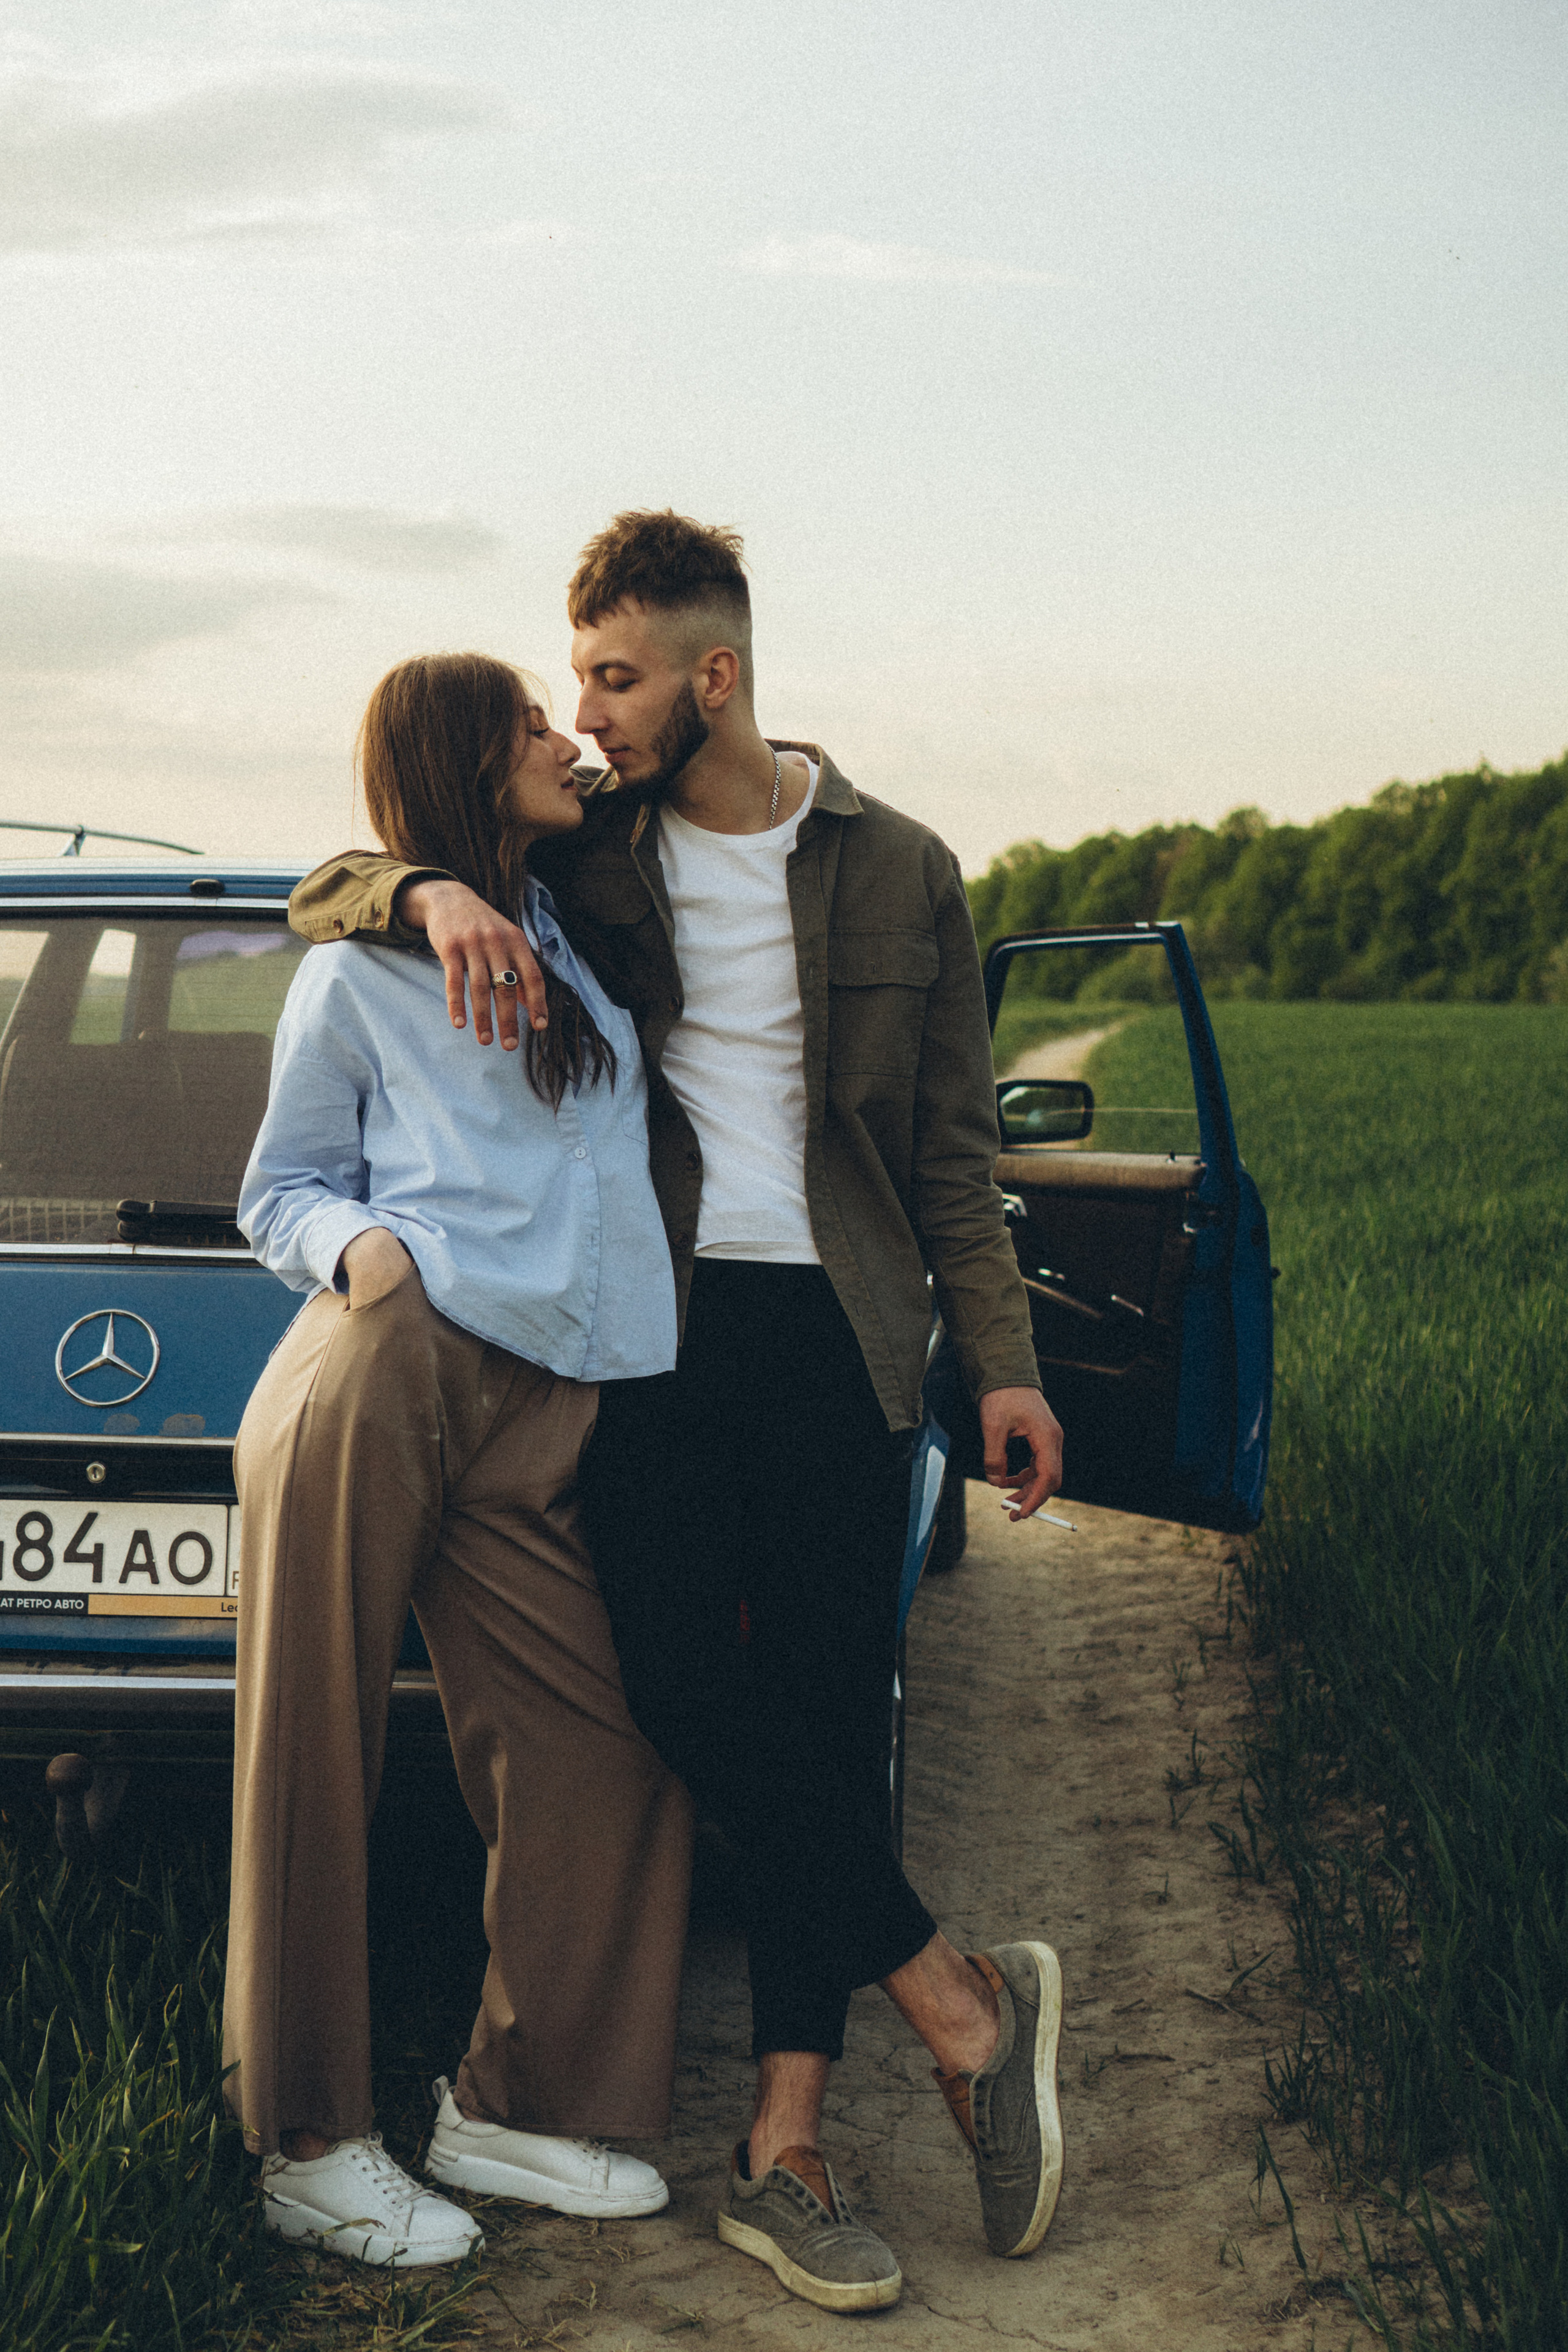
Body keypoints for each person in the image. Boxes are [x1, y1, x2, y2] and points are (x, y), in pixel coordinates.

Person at [289, 513, 1068, 2313]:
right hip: (658, 1335)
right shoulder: (589, 857)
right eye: (577, 679)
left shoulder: (908, 871)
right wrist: (422, 895)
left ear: (714, 676)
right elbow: (339, 878)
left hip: (845, 1339)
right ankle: (960, 2002)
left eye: (616, 678)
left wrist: (1007, 1364)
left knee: (820, 1720)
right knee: (676, 1687)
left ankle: (785, 2152)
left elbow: (954, 1155)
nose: (588, 712)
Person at [226, 651, 693, 2271]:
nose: (568, 736)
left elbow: (682, 767)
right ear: (461, 764)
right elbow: (279, 1189)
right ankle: (306, 2144)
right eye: (531, 726)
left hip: (547, 1395)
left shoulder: (569, 921)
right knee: (316, 1751)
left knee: (601, 1751)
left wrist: (443, 881)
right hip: (388, 1363)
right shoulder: (359, 973)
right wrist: (365, 1257)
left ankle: (513, 2102)